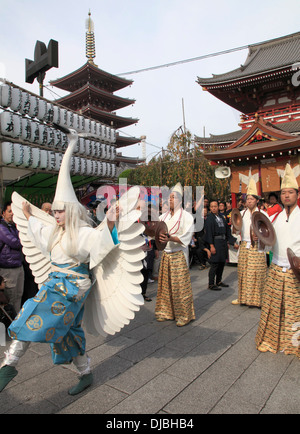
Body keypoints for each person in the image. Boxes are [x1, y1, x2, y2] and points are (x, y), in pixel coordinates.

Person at [0, 129, 121, 395]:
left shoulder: (85, 233)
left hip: (72, 287)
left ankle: (9, 364)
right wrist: (30, 214)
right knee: (69, 332)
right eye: (54, 211)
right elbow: (36, 230)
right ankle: (85, 372)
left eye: (60, 211)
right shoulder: (53, 232)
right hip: (56, 283)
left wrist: (110, 222)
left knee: (30, 313)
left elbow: (103, 246)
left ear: (72, 211)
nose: (55, 215)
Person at [255, 163, 300, 358]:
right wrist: (260, 240)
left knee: (294, 310)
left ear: (297, 195)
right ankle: (272, 340)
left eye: (290, 192)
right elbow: (268, 243)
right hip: (275, 268)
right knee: (273, 308)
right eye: (283, 193)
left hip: (294, 271)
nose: (286, 196)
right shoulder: (275, 217)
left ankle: (294, 343)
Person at [155, 183, 195, 327]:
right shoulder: (162, 217)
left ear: (179, 200)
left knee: (180, 286)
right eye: (169, 197)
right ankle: (166, 312)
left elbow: (186, 237)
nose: (170, 200)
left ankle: (184, 315)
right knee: (165, 286)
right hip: (166, 254)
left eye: (173, 197)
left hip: (178, 255)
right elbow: (156, 232)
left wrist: (170, 238)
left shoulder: (187, 217)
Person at [232, 178, 269, 307]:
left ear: (257, 201)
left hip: (257, 247)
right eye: (247, 199)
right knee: (243, 272)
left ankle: (258, 300)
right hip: (244, 246)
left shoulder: (263, 214)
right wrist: (235, 231)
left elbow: (268, 232)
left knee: (256, 273)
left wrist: (261, 237)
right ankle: (242, 297)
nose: (249, 201)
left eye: (251, 199)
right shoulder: (241, 214)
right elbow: (236, 232)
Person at [204, 200, 238, 290]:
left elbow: (227, 230)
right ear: (210, 208)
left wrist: (231, 241)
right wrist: (211, 245)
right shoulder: (209, 219)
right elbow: (209, 233)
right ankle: (211, 284)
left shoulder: (221, 217)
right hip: (215, 242)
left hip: (222, 242)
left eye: (215, 206)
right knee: (214, 264)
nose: (214, 208)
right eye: (212, 207)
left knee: (222, 263)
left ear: (218, 207)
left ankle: (218, 281)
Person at [0, 202, 24, 313]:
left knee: (19, 295)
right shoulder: (1, 227)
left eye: (14, 212)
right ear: (3, 213)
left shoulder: (14, 227)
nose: (12, 214)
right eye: (9, 211)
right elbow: (14, 242)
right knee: (10, 298)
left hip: (18, 266)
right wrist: (24, 240)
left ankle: (17, 320)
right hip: (8, 269)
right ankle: (10, 323)